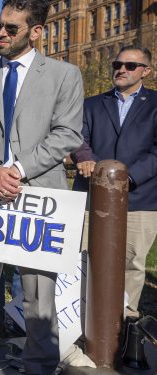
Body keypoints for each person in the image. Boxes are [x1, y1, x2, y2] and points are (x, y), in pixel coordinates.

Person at [0, 0, 83, 373]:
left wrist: (19, 169)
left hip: (41, 194)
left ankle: (40, 363)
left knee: (39, 290)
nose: (0, 33)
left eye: (11, 28)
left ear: (36, 31)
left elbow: (68, 134)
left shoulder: (65, 74)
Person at [73, 45, 157, 320]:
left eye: (130, 66)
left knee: (131, 263)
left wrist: (126, 177)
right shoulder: (92, 104)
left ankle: (123, 326)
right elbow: (78, 138)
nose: (121, 70)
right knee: (84, 259)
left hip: (140, 199)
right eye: (117, 64)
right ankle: (82, 321)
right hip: (91, 198)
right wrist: (85, 158)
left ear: (146, 71)